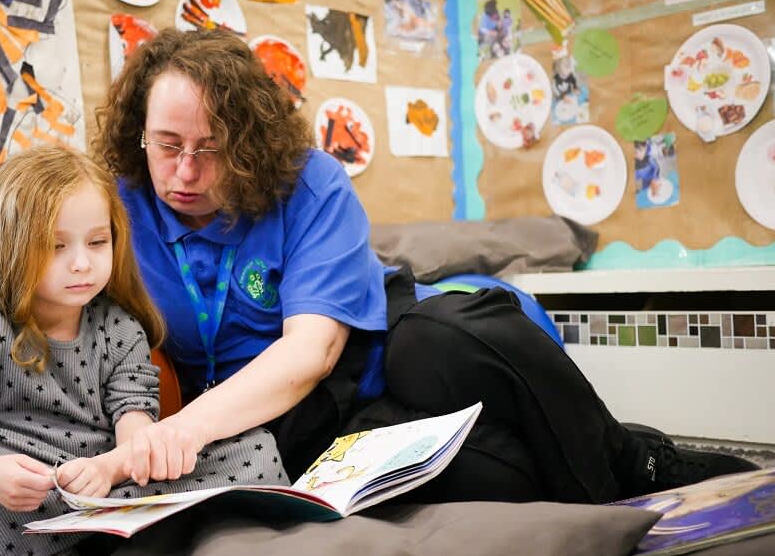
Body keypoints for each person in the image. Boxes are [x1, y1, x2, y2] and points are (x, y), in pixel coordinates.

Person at [91, 27, 758, 508]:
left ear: (249, 141)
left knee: (441, 335)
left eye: (211, 149)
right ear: (139, 134)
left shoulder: (309, 181)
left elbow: (313, 351)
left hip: (372, 347)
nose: (184, 171)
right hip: (295, 417)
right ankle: (621, 457)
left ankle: (627, 470)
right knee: (496, 473)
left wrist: (185, 427)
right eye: (167, 145)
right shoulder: (116, 208)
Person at [0, 146, 288, 555]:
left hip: (105, 475)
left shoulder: (119, 327)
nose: (81, 263)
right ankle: (106, 527)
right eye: (56, 246)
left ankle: (101, 528)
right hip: (24, 485)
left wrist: (111, 470)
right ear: (12, 245)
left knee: (252, 447)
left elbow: (135, 426)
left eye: (96, 242)